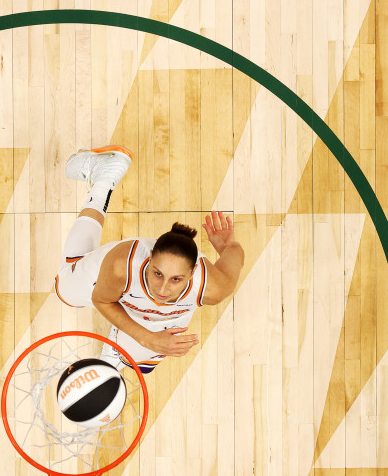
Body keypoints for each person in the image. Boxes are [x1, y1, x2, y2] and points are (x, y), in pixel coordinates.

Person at [54, 145, 245, 373]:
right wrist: (147, 339)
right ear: (151, 257)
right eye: (158, 273)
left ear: (192, 274)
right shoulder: (120, 265)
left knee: (140, 366)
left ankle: (114, 354)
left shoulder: (213, 288)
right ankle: (102, 179)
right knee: (64, 290)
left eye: (176, 279)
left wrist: (229, 246)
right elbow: (102, 300)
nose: (163, 289)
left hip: (164, 317)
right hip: (120, 277)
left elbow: (234, 255)